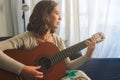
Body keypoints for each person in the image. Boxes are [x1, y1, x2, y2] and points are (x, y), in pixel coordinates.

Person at [0, 0, 96, 80]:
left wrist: (88, 55)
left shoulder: (57, 40)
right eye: (57, 13)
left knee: (79, 74)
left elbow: (68, 66)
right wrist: (22, 69)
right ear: (45, 15)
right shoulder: (27, 38)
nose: (61, 18)